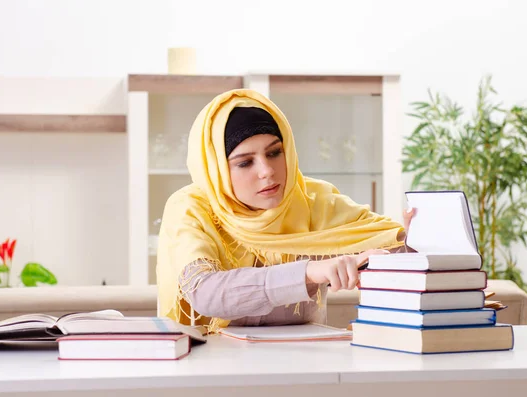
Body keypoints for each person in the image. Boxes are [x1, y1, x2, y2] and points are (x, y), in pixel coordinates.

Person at [156, 89, 415, 332]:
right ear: (217, 170)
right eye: (245, 162)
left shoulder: (315, 200)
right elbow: (206, 293)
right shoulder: (191, 208)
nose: (267, 171)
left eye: (275, 153)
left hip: (305, 366)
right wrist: (310, 272)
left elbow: (403, 253)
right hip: (213, 370)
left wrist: (416, 238)